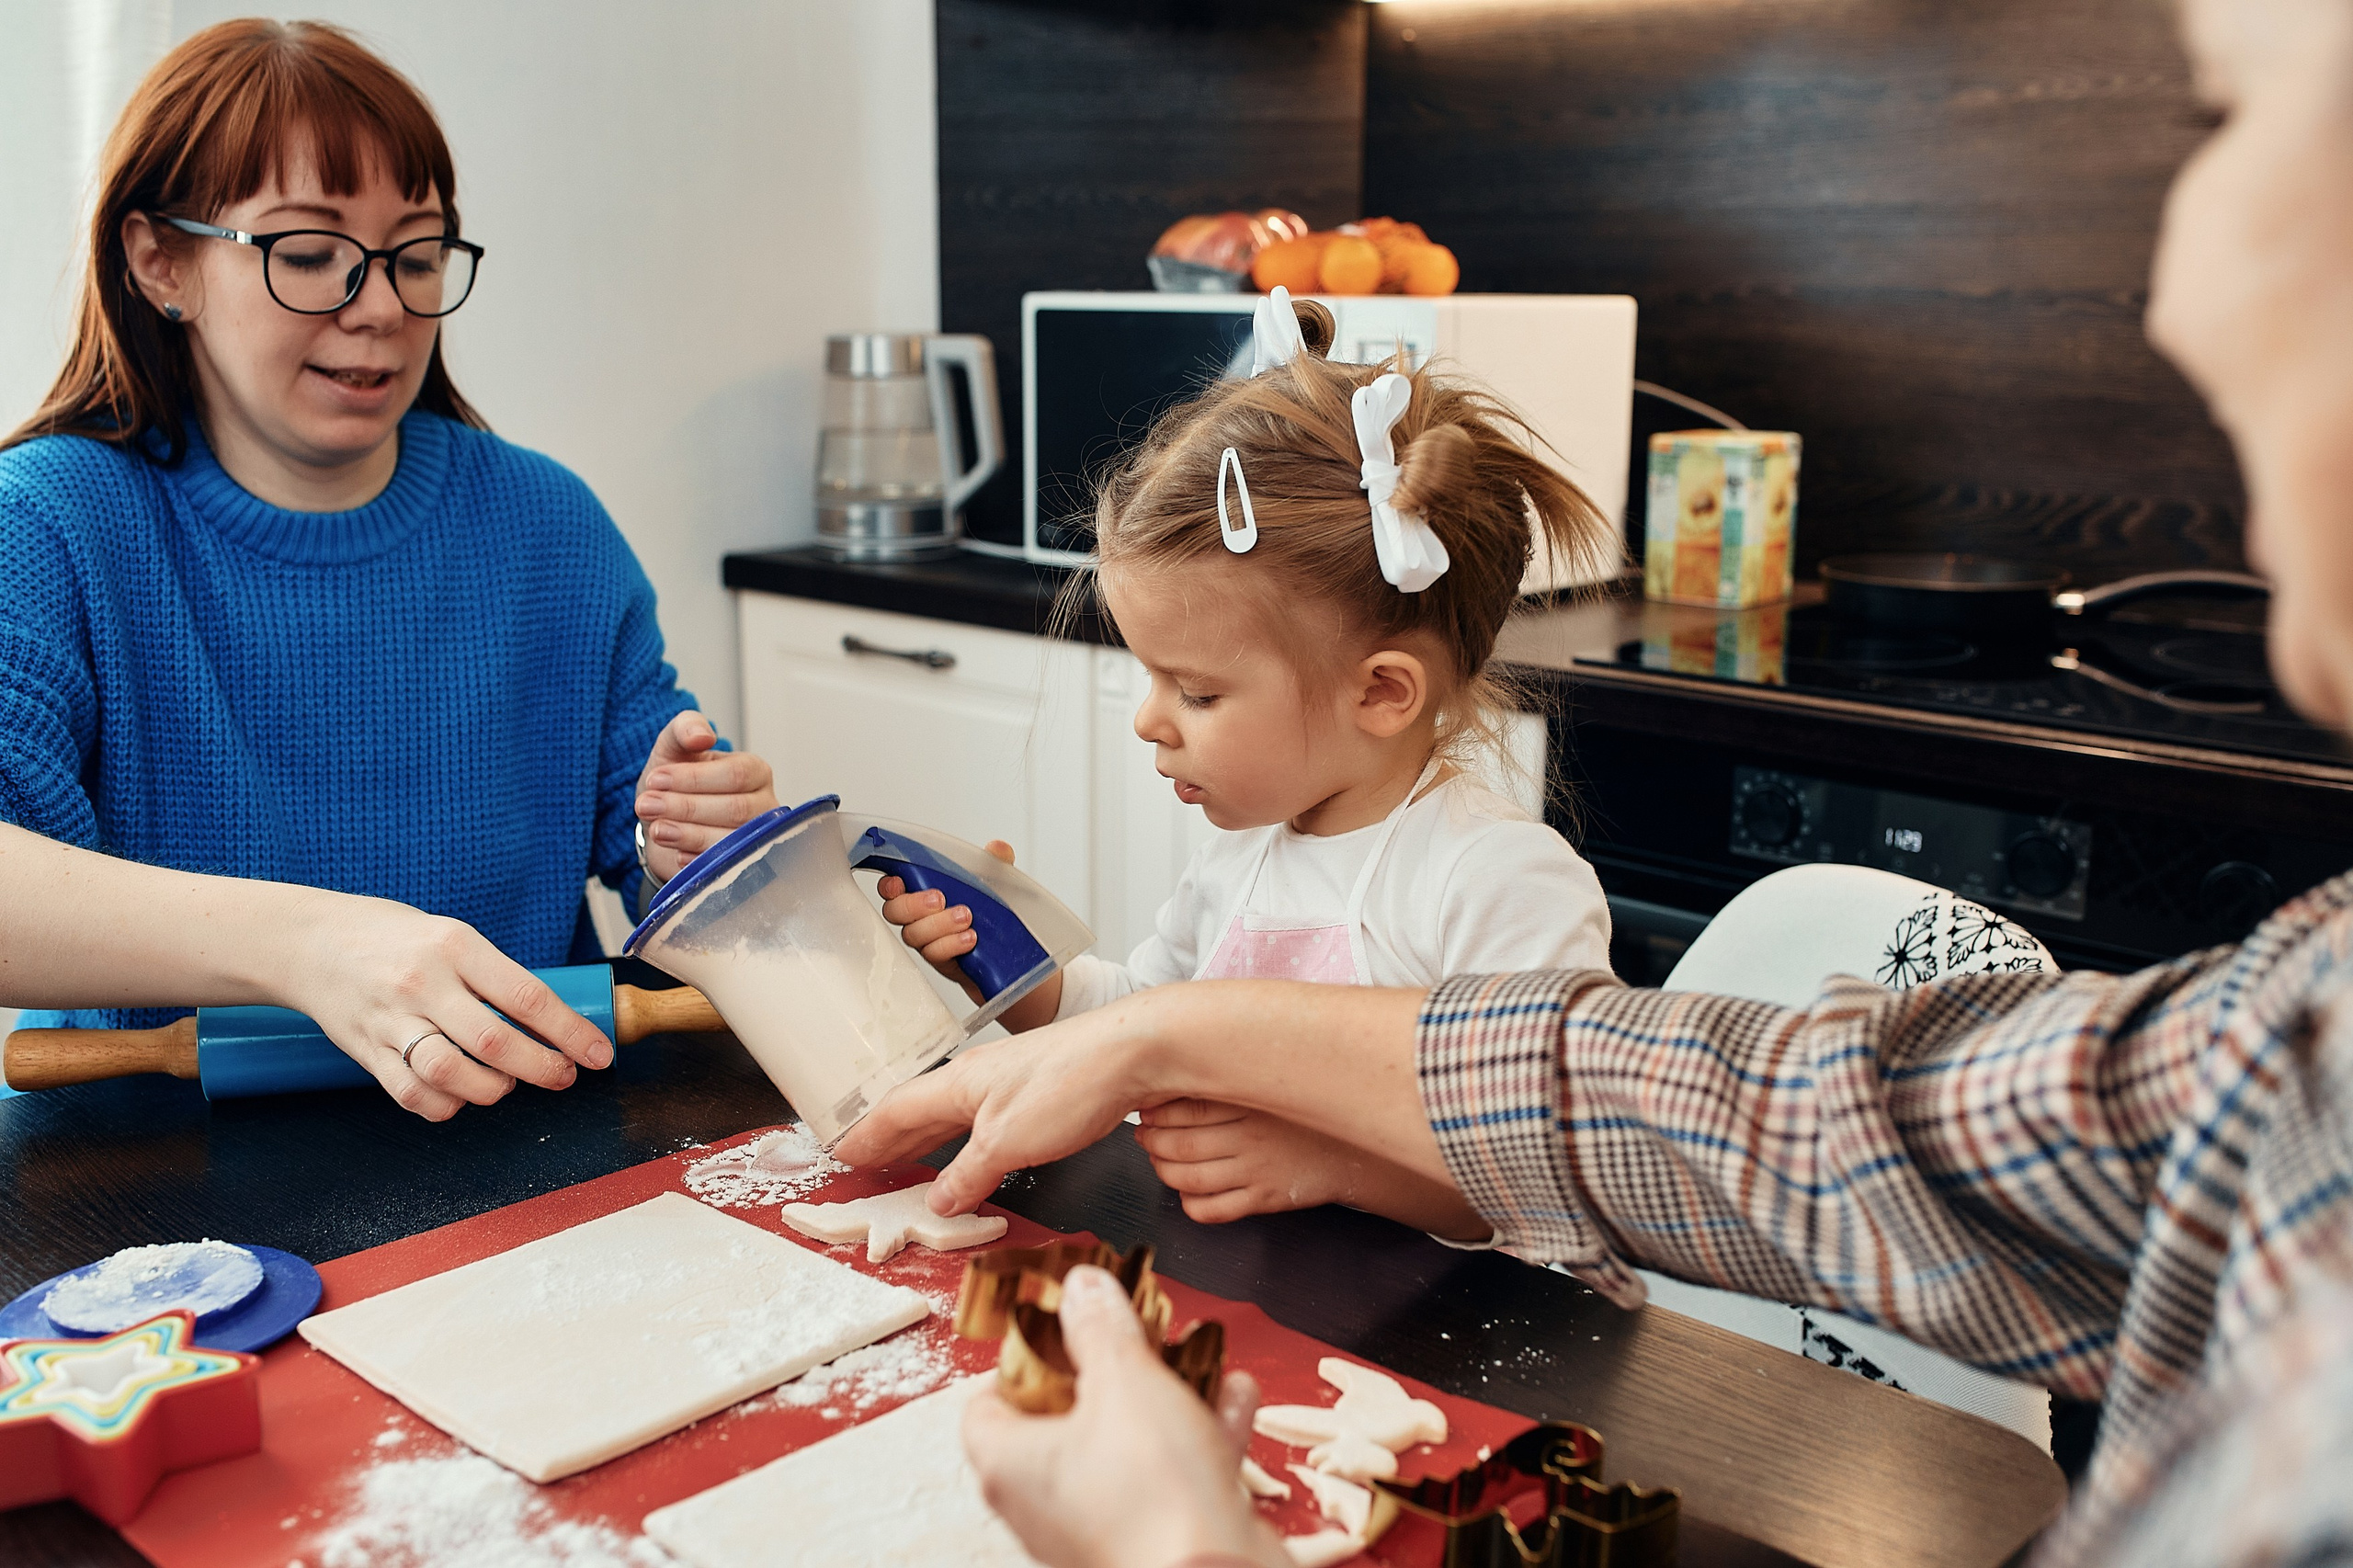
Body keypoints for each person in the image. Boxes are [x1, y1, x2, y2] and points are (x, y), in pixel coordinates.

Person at [839, 0, 2353, 1562]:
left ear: (1380, 692)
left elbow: (1537, 1205)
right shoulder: (2309, 1037)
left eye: (2232, 124)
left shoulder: (1485, 871)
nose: (2179, 301)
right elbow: (1778, 1124)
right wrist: (1077, 999)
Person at [0, 20, 774, 1119]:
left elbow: (662, 872)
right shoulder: (51, 520)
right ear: (159, 261)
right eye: (308, 254)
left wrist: (695, 843)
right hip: (154, 1167)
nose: (379, 306)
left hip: (523, 1129)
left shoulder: (545, 520)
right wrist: (315, 944)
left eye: (415, 256)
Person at [882, 289, 1613, 1232]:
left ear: (1381, 692)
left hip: (1432, 1328)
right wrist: (1018, 968)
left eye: (1198, 691)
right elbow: (1138, 1022)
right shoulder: (1246, 850)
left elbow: (1545, 1172)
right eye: (1150, 678)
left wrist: (1334, 1163)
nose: (1150, 720)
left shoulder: (1495, 880)